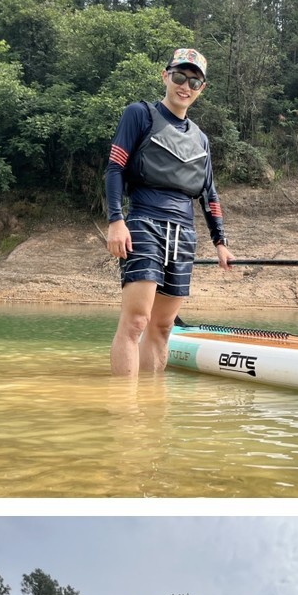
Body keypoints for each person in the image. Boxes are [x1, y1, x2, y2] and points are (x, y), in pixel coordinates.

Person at [105, 47, 234, 376]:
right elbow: (115, 169)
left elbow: (210, 194)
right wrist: (116, 220)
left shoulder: (202, 139)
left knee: (162, 328)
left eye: (194, 82)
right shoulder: (140, 114)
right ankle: (125, 415)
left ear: (201, 89)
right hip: (143, 222)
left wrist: (220, 242)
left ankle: (151, 413)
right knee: (136, 322)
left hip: (184, 234)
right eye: (180, 77)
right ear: (166, 76)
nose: (185, 86)